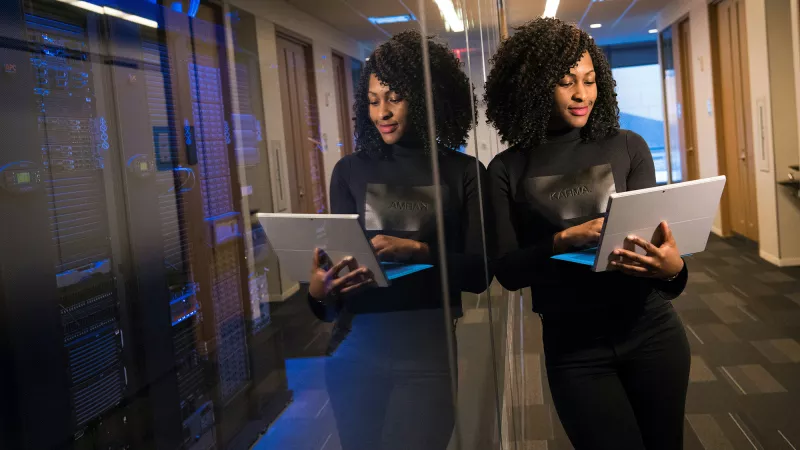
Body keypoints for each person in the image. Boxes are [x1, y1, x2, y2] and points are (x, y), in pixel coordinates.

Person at [484, 18, 690, 450]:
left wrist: (674, 271)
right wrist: (562, 241)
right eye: (566, 83)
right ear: (534, 87)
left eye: (590, 80)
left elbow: (655, 251)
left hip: (651, 332)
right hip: (574, 348)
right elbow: (507, 270)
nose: (583, 95)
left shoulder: (628, 146)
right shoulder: (507, 168)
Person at [306, 30, 490, 450]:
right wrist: (320, 292)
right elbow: (332, 291)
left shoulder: (463, 171)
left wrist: (420, 251)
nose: (382, 112)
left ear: (426, 99)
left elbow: (480, 274)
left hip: (427, 352)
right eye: (373, 100)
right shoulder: (349, 171)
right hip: (353, 349)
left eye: (394, 98)